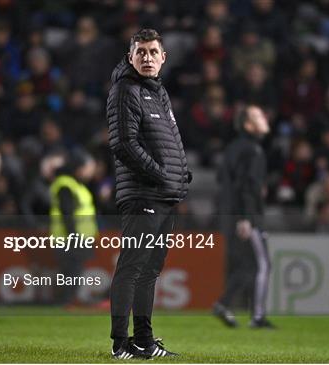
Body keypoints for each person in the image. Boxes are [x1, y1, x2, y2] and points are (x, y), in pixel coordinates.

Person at [106, 28, 190, 359]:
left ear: (163, 57)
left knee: (150, 271)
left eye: (153, 52)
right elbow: (123, 144)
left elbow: (167, 140)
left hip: (164, 194)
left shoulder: (159, 92)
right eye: (140, 52)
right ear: (131, 57)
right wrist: (159, 173)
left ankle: (143, 339)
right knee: (132, 267)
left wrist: (181, 174)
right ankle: (119, 342)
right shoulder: (125, 90)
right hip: (143, 195)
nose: (147, 58)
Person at [213, 104, 274, 329]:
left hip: (229, 214)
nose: (264, 117)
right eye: (258, 116)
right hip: (247, 216)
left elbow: (224, 180)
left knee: (247, 265)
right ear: (249, 125)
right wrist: (246, 217)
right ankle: (257, 316)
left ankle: (224, 304)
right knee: (262, 264)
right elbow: (246, 185)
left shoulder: (233, 149)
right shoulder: (254, 150)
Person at [49, 150, 97, 305]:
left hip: (76, 238)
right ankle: (64, 303)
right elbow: (67, 214)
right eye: (89, 167)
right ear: (80, 168)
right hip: (68, 239)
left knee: (72, 273)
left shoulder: (76, 185)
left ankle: (65, 303)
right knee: (71, 273)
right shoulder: (66, 185)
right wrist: (74, 237)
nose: (91, 171)